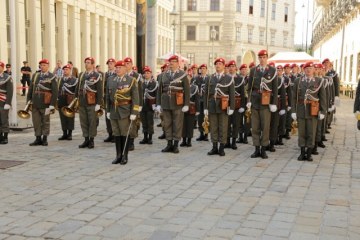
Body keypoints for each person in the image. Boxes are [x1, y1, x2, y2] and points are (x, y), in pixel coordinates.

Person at [291, 61, 326, 161]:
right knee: (302, 132)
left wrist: (323, 111)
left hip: (313, 110)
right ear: (304, 70)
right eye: (306, 69)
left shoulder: (319, 81)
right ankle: (302, 152)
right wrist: (293, 111)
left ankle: (309, 153)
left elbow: (323, 98)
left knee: (311, 132)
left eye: (310, 69)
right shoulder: (298, 81)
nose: (308, 70)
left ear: (314, 70)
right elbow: (294, 97)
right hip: (301, 110)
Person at [246, 50, 278, 159]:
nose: (262, 59)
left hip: (266, 102)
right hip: (255, 101)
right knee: (255, 127)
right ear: (258, 59)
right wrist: (248, 101)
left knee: (265, 127)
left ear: (267, 58)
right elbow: (249, 88)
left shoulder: (273, 70)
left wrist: (273, 103)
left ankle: (263, 149)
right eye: (260, 57)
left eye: (264, 57)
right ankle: (256, 149)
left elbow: (274, 89)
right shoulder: (253, 70)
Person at [107, 60, 139, 165]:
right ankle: (118, 155)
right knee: (116, 132)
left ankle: (125, 156)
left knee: (124, 132)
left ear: (125, 69)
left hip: (125, 110)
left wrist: (134, 111)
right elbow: (108, 96)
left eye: (120, 67)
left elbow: (135, 97)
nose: (117, 69)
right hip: (114, 110)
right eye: (116, 68)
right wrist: (107, 110)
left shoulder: (131, 80)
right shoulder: (111, 80)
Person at [156, 55, 190, 154]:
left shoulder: (182, 75)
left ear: (177, 63)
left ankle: (175, 144)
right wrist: (158, 104)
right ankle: (169, 143)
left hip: (178, 103)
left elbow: (187, 90)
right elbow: (159, 90)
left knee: (177, 124)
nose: (171, 64)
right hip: (166, 102)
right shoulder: (163, 75)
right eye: (170, 62)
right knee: (167, 124)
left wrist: (186, 104)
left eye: (174, 62)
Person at [204, 57, 235, 156]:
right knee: (213, 127)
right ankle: (214, 147)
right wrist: (205, 107)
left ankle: (221, 147)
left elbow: (232, 94)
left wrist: (232, 107)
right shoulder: (210, 78)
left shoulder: (228, 78)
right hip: (212, 105)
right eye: (216, 64)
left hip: (223, 105)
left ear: (223, 66)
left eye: (220, 64)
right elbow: (206, 94)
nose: (218, 65)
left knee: (223, 126)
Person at [27, 59, 58, 146]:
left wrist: (52, 104)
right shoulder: (35, 75)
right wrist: (28, 100)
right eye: (41, 65)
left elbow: (55, 92)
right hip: (35, 102)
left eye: (44, 65)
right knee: (36, 121)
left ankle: (44, 138)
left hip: (46, 103)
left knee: (45, 121)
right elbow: (31, 89)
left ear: (48, 66)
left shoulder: (52, 76)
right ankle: (37, 138)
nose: (42, 66)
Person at [75, 57, 103, 149]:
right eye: (85, 62)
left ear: (92, 64)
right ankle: (86, 139)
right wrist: (76, 99)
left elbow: (99, 90)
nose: (86, 64)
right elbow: (78, 87)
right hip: (82, 101)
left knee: (92, 122)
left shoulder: (97, 75)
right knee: (83, 121)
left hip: (92, 102)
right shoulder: (81, 75)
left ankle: (91, 140)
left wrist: (99, 103)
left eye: (88, 62)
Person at [225, 60, 245, 150]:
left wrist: (242, 106)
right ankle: (227, 141)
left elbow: (243, 94)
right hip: (227, 104)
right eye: (230, 67)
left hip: (237, 104)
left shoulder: (240, 79)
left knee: (236, 123)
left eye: (233, 67)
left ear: (236, 68)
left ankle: (233, 141)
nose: (231, 69)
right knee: (227, 123)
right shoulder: (225, 78)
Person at [124, 57, 143, 151]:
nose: (126, 65)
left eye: (128, 64)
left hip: (133, 102)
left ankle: (131, 142)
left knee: (133, 123)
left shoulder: (137, 76)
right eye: (125, 64)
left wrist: (140, 105)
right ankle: (126, 142)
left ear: (131, 64)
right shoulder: (122, 75)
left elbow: (140, 91)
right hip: (124, 103)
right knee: (124, 123)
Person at [57, 64, 78, 141]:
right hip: (62, 99)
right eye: (64, 70)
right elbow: (58, 90)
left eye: (67, 70)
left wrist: (75, 102)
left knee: (70, 117)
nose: (65, 71)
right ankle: (64, 133)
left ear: (70, 71)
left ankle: (70, 134)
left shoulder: (74, 80)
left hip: (70, 101)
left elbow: (76, 91)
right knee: (62, 117)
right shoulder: (60, 79)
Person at [268, 65, 286, 152]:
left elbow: (283, 94)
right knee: (265, 125)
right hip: (265, 105)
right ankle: (265, 142)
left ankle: (272, 143)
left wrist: (283, 108)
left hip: (275, 105)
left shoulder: (279, 80)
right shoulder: (263, 79)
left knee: (274, 125)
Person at [180, 68, 199, 147]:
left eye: (189, 77)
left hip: (191, 108)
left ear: (191, 78)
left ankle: (189, 140)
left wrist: (197, 109)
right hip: (183, 107)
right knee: (183, 125)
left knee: (190, 125)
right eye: (186, 77)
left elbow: (197, 99)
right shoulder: (181, 86)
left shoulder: (195, 87)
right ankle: (183, 140)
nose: (188, 78)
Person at [140, 66, 157, 144]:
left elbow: (156, 95)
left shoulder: (154, 83)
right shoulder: (141, 83)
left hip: (150, 106)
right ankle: (145, 137)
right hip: (143, 106)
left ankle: (150, 138)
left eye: (148, 73)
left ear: (151, 74)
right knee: (144, 122)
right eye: (145, 73)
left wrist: (156, 105)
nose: (146, 74)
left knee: (150, 122)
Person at [193, 64, 210, 141]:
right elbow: (193, 88)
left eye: (204, 68)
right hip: (199, 100)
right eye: (201, 68)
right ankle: (201, 133)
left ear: (206, 70)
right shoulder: (196, 78)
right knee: (200, 118)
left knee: (206, 117)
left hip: (206, 100)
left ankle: (206, 133)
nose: (202, 70)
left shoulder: (209, 78)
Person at [103, 58, 117, 143]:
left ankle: (115, 135)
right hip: (107, 97)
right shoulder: (106, 74)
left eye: (111, 63)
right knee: (107, 117)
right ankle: (110, 134)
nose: (109, 65)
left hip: (115, 98)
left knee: (114, 117)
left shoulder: (117, 74)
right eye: (108, 63)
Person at [0, 61, 14, 144]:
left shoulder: (7, 77)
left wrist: (8, 103)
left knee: (4, 120)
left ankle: (5, 137)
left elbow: (10, 91)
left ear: (2, 67)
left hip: (3, 102)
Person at [237, 64, 249, 144]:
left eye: (245, 69)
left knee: (247, 119)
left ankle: (245, 137)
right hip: (240, 100)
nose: (244, 71)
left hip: (247, 100)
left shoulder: (250, 79)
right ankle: (240, 136)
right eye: (242, 69)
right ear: (240, 71)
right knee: (239, 119)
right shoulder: (238, 79)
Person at [157, 63, 169, 140]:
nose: (166, 69)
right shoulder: (160, 76)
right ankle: (164, 132)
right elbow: (159, 89)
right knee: (163, 118)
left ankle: (169, 134)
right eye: (165, 68)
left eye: (167, 67)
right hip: (163, 99)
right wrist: (158, 103)